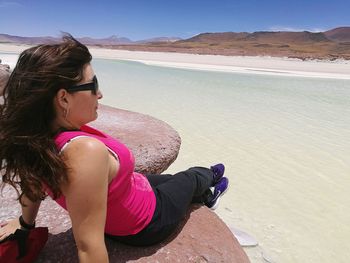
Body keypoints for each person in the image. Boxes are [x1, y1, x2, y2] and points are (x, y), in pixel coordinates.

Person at [0, 35, 229, 263]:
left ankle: (205, 188)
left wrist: (24, 224)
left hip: (130, 189)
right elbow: (89, 247)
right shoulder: (85, 152)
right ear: (63, 98)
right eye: (93, 85)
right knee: (191, 176)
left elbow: (31, 184)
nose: (100, 94)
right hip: (148, 221)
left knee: (169, 178)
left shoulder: (33, 138)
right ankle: (210, 185)